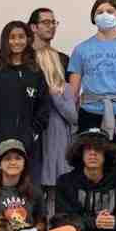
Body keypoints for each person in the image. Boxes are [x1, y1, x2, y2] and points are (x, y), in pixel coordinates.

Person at [68, 0, 116, 217]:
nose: (105, 15)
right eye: (100, 11)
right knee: (90, 165)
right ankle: (89, 217)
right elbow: (72, 94)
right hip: (90, 114)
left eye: (110, 11)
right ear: (93, 16)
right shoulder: (81, 49)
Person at [0, 21, 50, 182]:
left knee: (27, 188)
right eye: (12, 37)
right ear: (5, 40)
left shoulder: (35, 71)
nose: (17, 41)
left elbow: (44, 107)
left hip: (27, 145)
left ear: (28, 39)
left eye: (21, 37)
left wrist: (32, 133)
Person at [35, 47, 78, 219]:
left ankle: (53, 224)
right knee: (37, 190)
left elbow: (73, 116)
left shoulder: (64, 88)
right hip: (39, 144)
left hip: (57, 145)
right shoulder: (34, 88)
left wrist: (56, 96)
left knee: (54, 190)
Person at [28, 7, 70, 73]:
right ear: (33, 27)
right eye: (46, 22)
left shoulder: (63, 59)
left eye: (53, 22)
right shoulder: (24, 58)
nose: (52, 26)